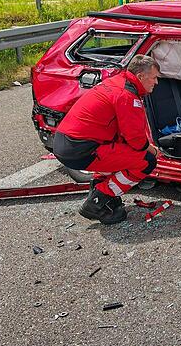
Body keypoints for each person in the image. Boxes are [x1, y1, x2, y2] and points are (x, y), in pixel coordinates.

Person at [53, 55, 162, 224]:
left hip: (65, 142)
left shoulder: (116, 81)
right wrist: (153, 150)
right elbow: (136, 140)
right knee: (146, 161)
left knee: (118, 155)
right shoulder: (127, 96)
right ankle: (99, 200)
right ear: (140, 76)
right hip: (82, 149)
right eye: (154, 78)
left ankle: (99, 192)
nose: (156, 83)